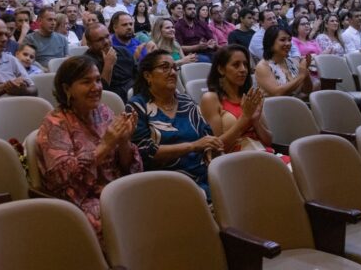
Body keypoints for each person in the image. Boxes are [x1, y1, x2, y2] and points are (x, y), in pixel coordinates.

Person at [36, 55, 142, 237]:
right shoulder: (54, 123)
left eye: (98, 80)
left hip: (116, 189)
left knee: (159, 202)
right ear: (67, 88)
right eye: (86, 82)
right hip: (82, 200)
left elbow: (126, 167)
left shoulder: (104, 112)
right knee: (124, 219)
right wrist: (106, 145)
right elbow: (64, 181)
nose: (97, 88)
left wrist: (124, 141)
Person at [130, 50, 223, 199]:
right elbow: (143, 152)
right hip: (166, 182)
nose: (172, 72)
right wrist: (193, 146)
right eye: (165, 67)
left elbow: (206, 134)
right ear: (148, 76)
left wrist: (211, 148)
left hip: (203, 175)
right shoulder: (137, 106)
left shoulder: (186, 101)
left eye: (174, 67)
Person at [200, 45, 274, 155]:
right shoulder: (211, 99)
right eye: (236, 65)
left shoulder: (250, 97)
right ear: (221, 69)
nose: (243, 69)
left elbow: (268, 141)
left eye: (245, 64)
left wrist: (255, 122)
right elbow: (216, 149)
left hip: (264, 154)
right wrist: (244, 119)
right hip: (235, 162)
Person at [255, 26, 312, 98]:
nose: (288, 43)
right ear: (270, 43)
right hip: (274, 108)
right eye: (283, 40)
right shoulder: (263, 66)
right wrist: (301, 76)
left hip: (295, 105)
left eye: (289, 40)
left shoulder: (292, 62)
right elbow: (277, 93)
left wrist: (305, 71)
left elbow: (307, 90)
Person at [85, 23, 136, 100]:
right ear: (89, 44)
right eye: (100, 40)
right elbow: (100, 93)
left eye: (107, 36)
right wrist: (108, 65)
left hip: (135, 94)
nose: (106, 42)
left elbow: (138, 75)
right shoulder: (87, 63)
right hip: (113, 101)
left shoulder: (123, 51)